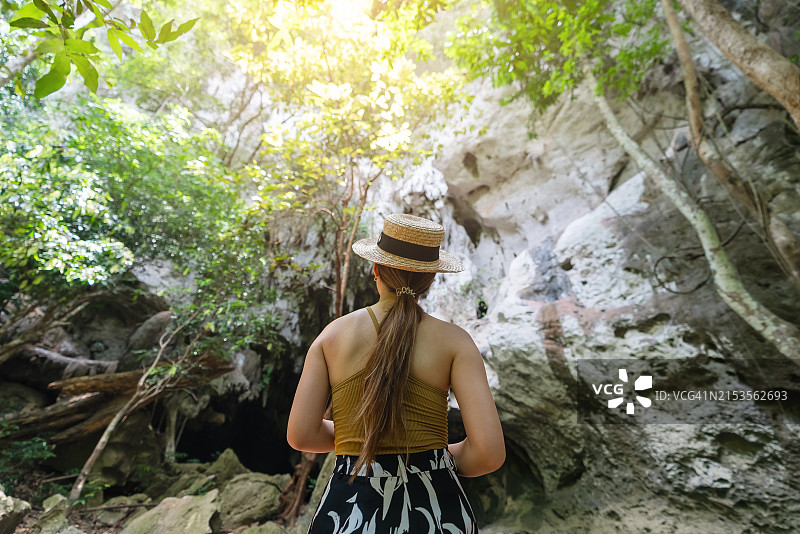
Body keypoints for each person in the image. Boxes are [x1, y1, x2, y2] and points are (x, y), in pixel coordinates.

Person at [287, 213, 505, 533]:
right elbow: (488, 454)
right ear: (430, 280)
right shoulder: (455, 342)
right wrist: (433, 459)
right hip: (436, 511)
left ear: (375, 270)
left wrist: (360, 437)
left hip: (349, 512)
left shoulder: (331, 338)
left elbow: (301, 435)